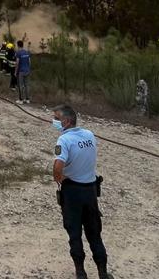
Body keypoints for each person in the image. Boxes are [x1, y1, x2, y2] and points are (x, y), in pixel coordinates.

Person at [52, 103, 113, 279]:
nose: (54, 121)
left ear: (67, 120)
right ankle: (103, 273)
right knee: (94, 234)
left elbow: (58, 166)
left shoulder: (63, 140)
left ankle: (80, 272)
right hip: (91, 190)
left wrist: (60, 178)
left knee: (75, 233)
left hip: (73, 192)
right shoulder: (89, 135)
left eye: (57, 118)